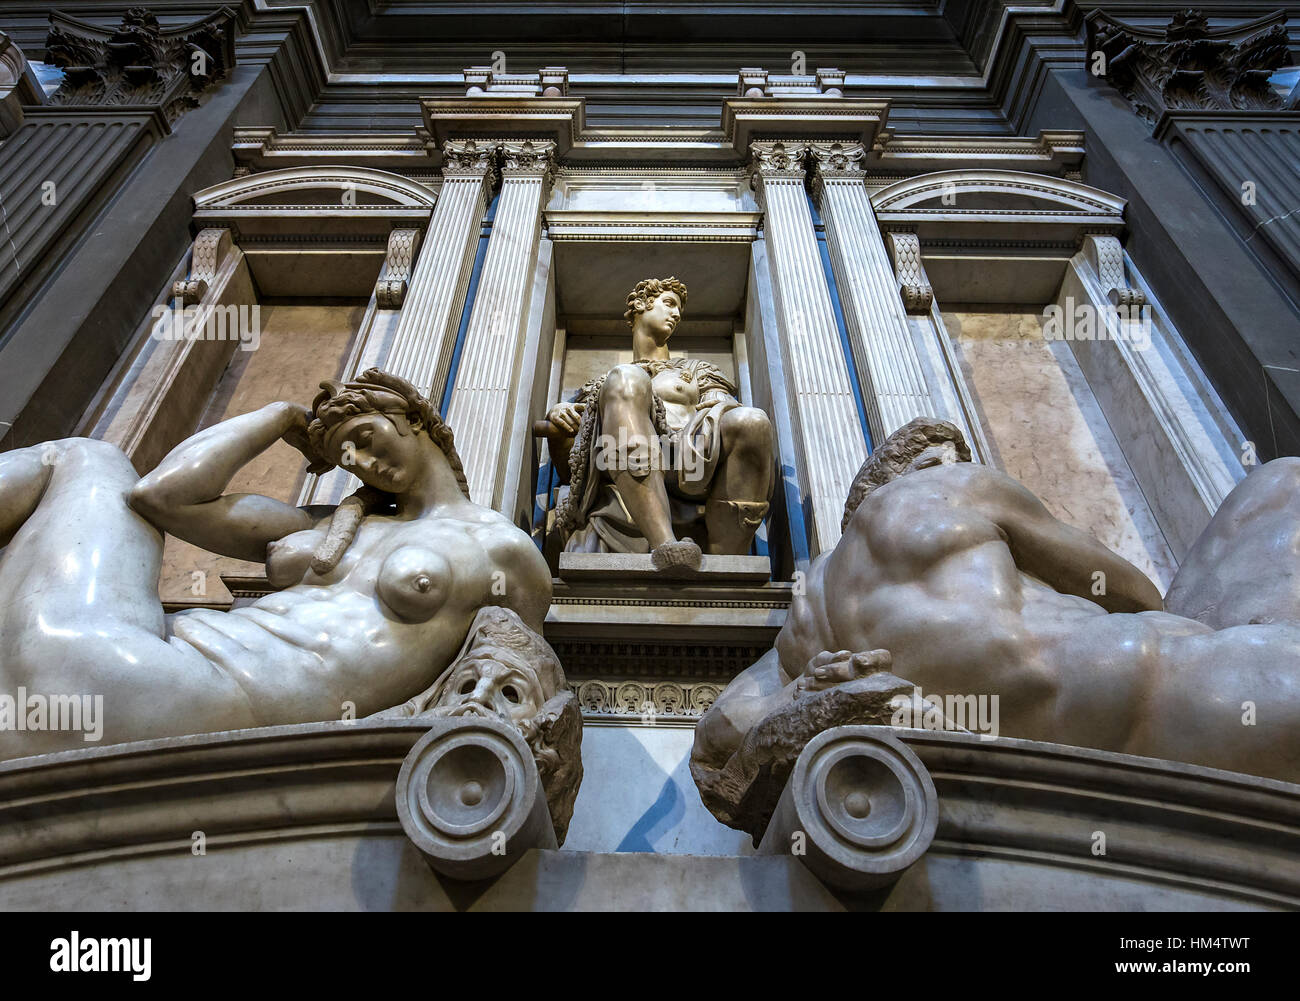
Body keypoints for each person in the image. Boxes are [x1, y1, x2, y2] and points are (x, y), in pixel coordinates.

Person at [693, 417, 1300, 787]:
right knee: (1283, 481)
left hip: (1037, 742)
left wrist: (808, 695)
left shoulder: (801, 628)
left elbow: (720, 738)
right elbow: (1131, 590)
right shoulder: (955, 487)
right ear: (930, 464)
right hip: (1157, 687)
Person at [0, 368, 550, 757]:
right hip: (142, 658)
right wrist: (278, 415)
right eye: (345, 458)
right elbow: (161, 497)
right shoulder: (326, 525)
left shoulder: (502, 550)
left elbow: (523, 680)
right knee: (89, 461)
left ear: (415, 420)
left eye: (365, 436)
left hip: (163, 691)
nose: (362, 460)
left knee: (84, 458)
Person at [546, 276, 775, 570]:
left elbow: (723, 409)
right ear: (641, 304)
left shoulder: (696, 371)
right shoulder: (603, 384)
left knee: (752, 420)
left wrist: (719, 407)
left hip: (693, 460)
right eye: (669, 304)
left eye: (678, 309)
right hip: (625, 456)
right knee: (626, 378)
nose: (676, 314)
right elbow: (570, 467)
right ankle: (666, 545)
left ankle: (726, 565)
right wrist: (560, 414)